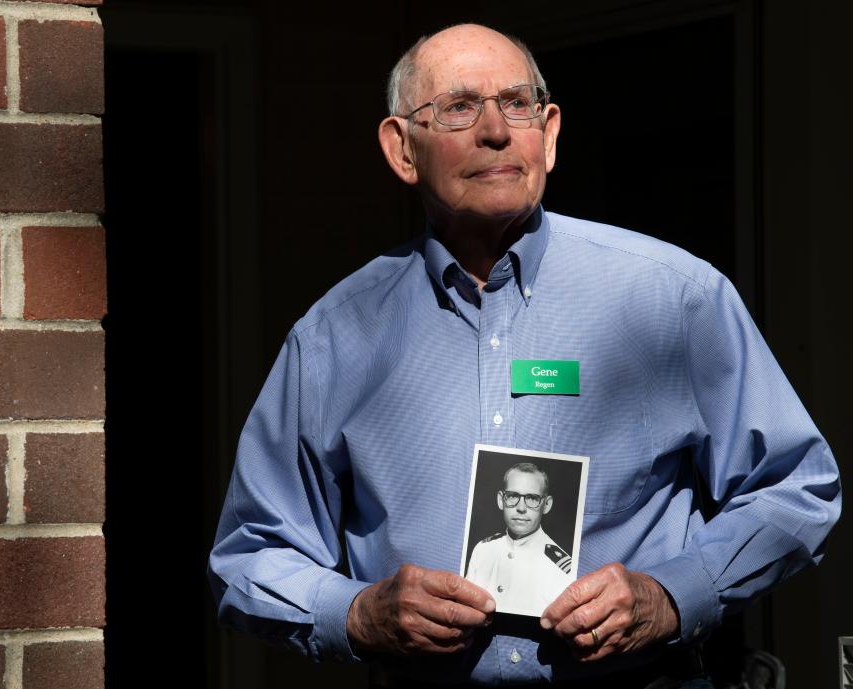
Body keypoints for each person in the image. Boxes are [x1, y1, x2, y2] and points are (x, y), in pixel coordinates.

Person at [208, 22, 840, 687]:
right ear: (402, 149)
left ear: (552, 131)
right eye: (458, 107)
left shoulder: (675, 297)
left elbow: (797, 486)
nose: (496, 131)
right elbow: (251, 554)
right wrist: (359, 612)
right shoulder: (335, 336)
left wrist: (675, 595)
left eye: (518, 103)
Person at [466, 462, 574, 616]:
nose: (521, 508)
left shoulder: (561, 567)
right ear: (501, 500)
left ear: (546, 505)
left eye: (532, 498)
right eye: (512, 496)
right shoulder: (482, 549)